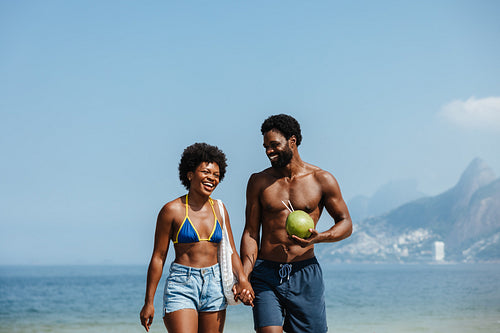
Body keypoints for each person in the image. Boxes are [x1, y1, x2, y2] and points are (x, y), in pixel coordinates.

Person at [240, 114, 353, 333]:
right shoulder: (259, 181)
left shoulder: (321, 179)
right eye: (265, 147)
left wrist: (321, 237)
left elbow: (346, 223)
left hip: (305, 272)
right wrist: (244, 276)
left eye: (274, 145)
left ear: (292, 141)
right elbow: (251, 233)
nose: (269, 152)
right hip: (266, 273)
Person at [140, 142, 254, 333]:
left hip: (215, 285)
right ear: (190, 174)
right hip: (182, 285)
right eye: (206, 172)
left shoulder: (219, 209)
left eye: (216, 175)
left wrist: (243, 279)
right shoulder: (172, 210)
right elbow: (158, 257)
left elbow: (231, 250)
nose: (212, 178)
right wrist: (148, 302)